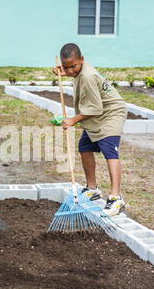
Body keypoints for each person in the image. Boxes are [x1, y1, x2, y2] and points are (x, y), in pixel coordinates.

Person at [54, 43, 127, 217]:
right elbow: (76, 75)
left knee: (110, 151)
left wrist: (73, 120)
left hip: (111, 114)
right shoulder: (80, 70)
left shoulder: (87, 75)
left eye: (73, 66)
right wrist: (66, 73)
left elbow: (95, 109)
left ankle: (116, 199)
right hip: (97, 115)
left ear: (82, 60)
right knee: (85, 147)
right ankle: (92, 189)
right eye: (66, 67)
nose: (70, 70)